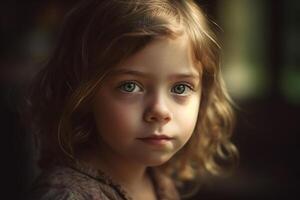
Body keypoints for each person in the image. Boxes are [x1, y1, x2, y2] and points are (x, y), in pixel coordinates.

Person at [25, 0, 238, 199]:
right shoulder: (67, 195)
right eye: (130, 86)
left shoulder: (158, 183)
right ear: (83, 93)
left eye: (181, 87)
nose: (160, 111)